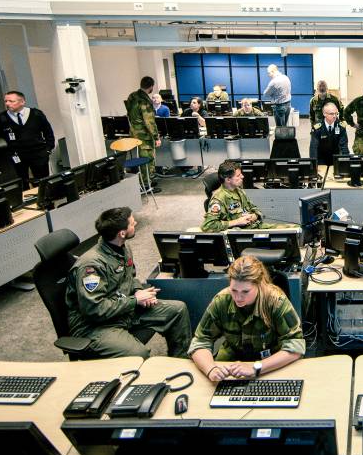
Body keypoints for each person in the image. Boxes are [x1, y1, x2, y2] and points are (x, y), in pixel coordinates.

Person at [66, 207, 190, 359]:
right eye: (132, 223)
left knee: (178, 310)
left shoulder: (122, 248)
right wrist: (135, 300)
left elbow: (130, 277)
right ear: (122, 233)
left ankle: (179, 361)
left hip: (122, 311)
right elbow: (94, 309)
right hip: (95, 327)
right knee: (138, 355)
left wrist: (138, 290)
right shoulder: (91, 266)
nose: (136, 223)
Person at [189, 255, 305, 381]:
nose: (238, 298)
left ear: (259, 285)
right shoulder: (222, 301)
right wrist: (211, 369)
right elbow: (200, 341)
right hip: (232, 362)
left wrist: (255, 367)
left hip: (270, 361)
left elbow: (295, 346)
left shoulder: (276, 301)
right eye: (234, 290)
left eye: (245, 292)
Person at [0, 90, 55, 189]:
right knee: (21, 184)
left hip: (38, 153)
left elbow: (48, 132)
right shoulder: (0, 118)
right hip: (16, 155)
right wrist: (5, 158)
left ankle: (45, 198)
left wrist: (48, 149)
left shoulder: (36, 114)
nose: (7, 104)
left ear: (22, 102)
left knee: (42, 183)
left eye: (11, 101)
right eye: (6, 101)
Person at [202, 160, 266, 232]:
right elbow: (208, 226)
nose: (242, 176)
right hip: (242, 233)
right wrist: (237, 222)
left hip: (254, 226)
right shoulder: (218, 199)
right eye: (238, 175)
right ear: (228, 180)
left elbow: (254, 208)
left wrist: (254, 216)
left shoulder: (238, 190)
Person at [125, 76, 161, 191]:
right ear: (151, 87)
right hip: (144, 135)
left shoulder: (132, 96)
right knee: (147, 159)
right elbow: (149, 121)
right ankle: (146, 185)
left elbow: (129, 113)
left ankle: (147, 181)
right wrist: (156, 137)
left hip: (134, 132)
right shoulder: (144, 100)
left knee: (141, 158)